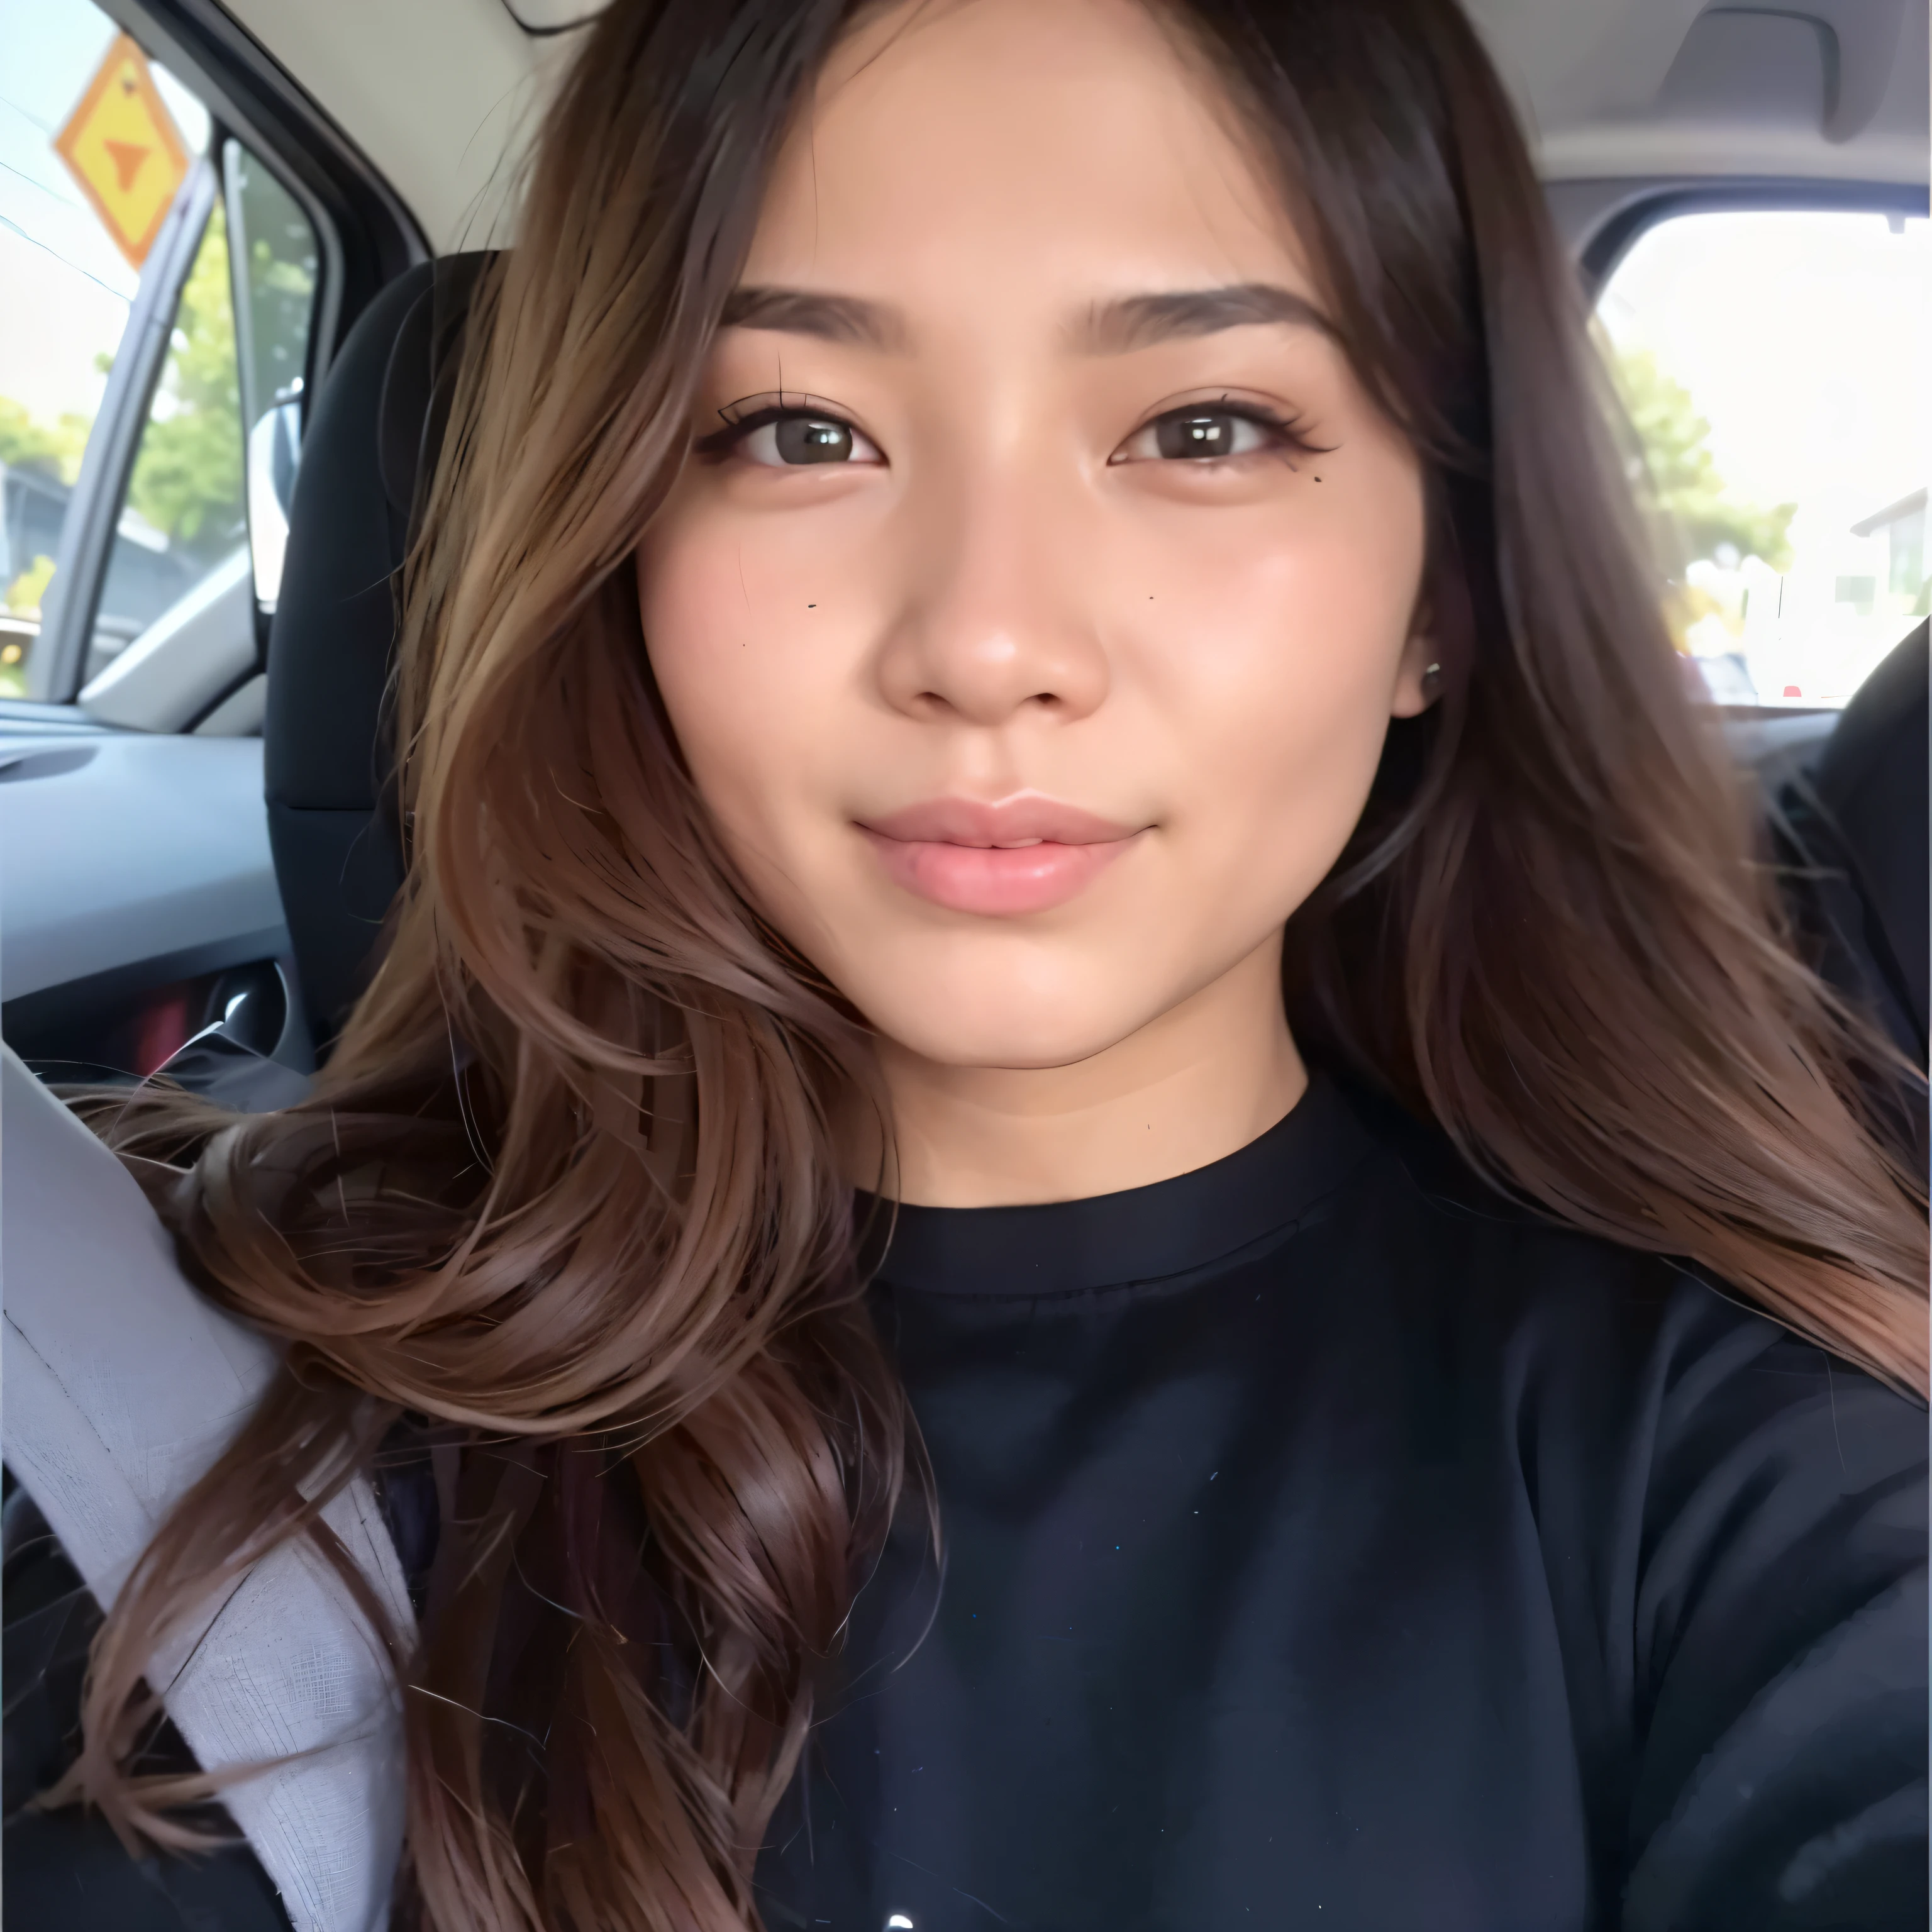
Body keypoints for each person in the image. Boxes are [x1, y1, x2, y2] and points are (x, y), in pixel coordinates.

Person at [5, 0, 1926, 1927]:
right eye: (798, 430)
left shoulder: (1753, 1455)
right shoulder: (231, 1428)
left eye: (1206, 427)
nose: (990, 639)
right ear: (620, 550)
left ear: (1445, 592)